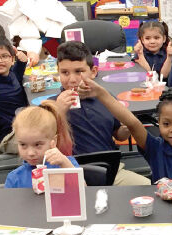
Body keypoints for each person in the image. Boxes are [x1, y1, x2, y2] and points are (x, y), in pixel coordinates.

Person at [51, 41, 150, 185]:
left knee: (144, 186)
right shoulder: (51, 104)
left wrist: (128, 126)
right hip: (67, 173)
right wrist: (57, 111)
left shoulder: (105, 98)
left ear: (93, 72)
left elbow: (119, 135)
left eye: (79, 72)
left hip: (109, 170)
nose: (72, 79)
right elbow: (40, 140)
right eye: (65, 72)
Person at [5, 101, 78, 188]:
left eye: (37, 144)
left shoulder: (67, 165)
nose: (30, 153)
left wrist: (65, 163)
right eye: (23, 145)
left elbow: (83, 189)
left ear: (53, 141)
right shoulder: (14, 179)